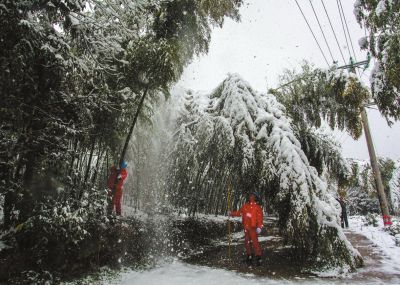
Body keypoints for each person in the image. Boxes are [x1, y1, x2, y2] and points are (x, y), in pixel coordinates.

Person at [230, 192, 263, 266]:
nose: (251, 196)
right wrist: (232, 213)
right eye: (250, 195)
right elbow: (239, 213)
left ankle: (258, 257)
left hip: (253, 227)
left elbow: (260, 218)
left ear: (256, 197)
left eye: (253, 195)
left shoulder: (257, 207)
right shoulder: (245, 206)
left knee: (255, 243)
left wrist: (259, 227)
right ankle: (249, 257)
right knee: (247, 243)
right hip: (246, 227)